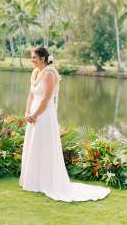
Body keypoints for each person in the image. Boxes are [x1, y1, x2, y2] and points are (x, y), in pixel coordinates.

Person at [19, 46, 110, 202]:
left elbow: (47, 99)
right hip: (33, 115)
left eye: (34, 57)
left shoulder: (50, 73)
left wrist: (35, 114)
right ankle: (33, 180)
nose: (31, 60)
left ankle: (46, 181)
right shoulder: (35, 72)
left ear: (42, 58)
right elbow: (31, 95)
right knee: (33, 144)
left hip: (44, 115)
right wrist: (27, 113)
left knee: (44, 145)